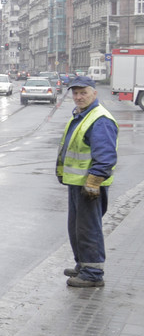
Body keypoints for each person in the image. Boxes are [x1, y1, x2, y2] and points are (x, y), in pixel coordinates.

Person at [56, 75, 118, 288]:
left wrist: (94, 181)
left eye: (83, 93)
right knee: (77, 228)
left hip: (90, 185)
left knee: (88, 228)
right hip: (78, 183)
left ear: (94, 92)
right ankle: (83, 265)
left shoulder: (99, 119)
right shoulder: (83, 115)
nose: (78, 97)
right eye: (75, 93)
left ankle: (92, 273)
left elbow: (106, 156)